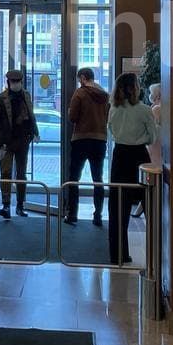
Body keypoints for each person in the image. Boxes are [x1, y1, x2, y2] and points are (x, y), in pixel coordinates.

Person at [107, 71, 158, 264]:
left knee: (117, 207)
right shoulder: (144, 110)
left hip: (119, 156)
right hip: (139, 157)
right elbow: (152, 137)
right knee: (150, 204)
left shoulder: (113, 109)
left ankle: (117, 254)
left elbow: (111, 131)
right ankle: (157, 254)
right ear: (134, 88)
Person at [0, 68, 39, 219]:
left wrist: (34, 132)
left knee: (21, 174)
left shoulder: (26, 96)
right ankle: (6, 205)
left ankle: (20, 205)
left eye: (18, 81)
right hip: (6, 141)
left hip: (23, 140)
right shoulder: (1, 98)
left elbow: (31, 115)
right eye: (13, 81)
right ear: (8, 82)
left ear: (21, 81)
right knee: (6, 172)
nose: (16, 84)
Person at [65, 67, 110, 227]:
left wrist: (70, 111)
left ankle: (72, 214)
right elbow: (107, 116)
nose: (79, 82)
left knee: (74, 178)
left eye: (79, 79)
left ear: (83, 78)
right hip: (99, 140)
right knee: (98, 178)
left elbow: (72, 117)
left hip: (81, 139)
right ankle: (98, 215)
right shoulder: (104, 95)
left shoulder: (80, 93)